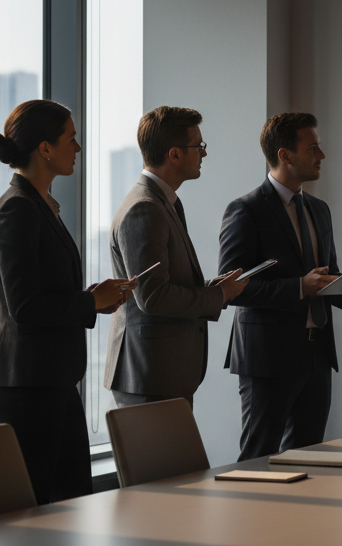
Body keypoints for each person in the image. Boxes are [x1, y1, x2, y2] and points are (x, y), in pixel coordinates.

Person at [0, 100, 131, 504]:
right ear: (45, 148)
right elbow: (25, 307)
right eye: (71, 139)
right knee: (41, 508)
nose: (78, 148)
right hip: (27, 382)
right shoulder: (19, 209)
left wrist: (96, 300)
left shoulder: (39, 205)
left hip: (48, 378)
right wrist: (88, 302)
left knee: (70, 499)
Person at [218, 113, 342, 461]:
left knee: (310, 458)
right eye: (313, 147)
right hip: (267, 359)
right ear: (285, 155)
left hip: (317, 356)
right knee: (259, 459)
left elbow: (326, 275)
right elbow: (233, 289)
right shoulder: (245, 210)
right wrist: (300, 287)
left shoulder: (319, 209)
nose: (322, 155)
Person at [105, 106, 246, 409]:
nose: (204, 154)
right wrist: (218, 294)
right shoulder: (145, 208)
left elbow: (159, 284)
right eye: (199, 146)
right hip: (149, 376)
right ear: (175, 155)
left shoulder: (161, 203)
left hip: (161, 374)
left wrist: (212, 288)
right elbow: (152, 296)